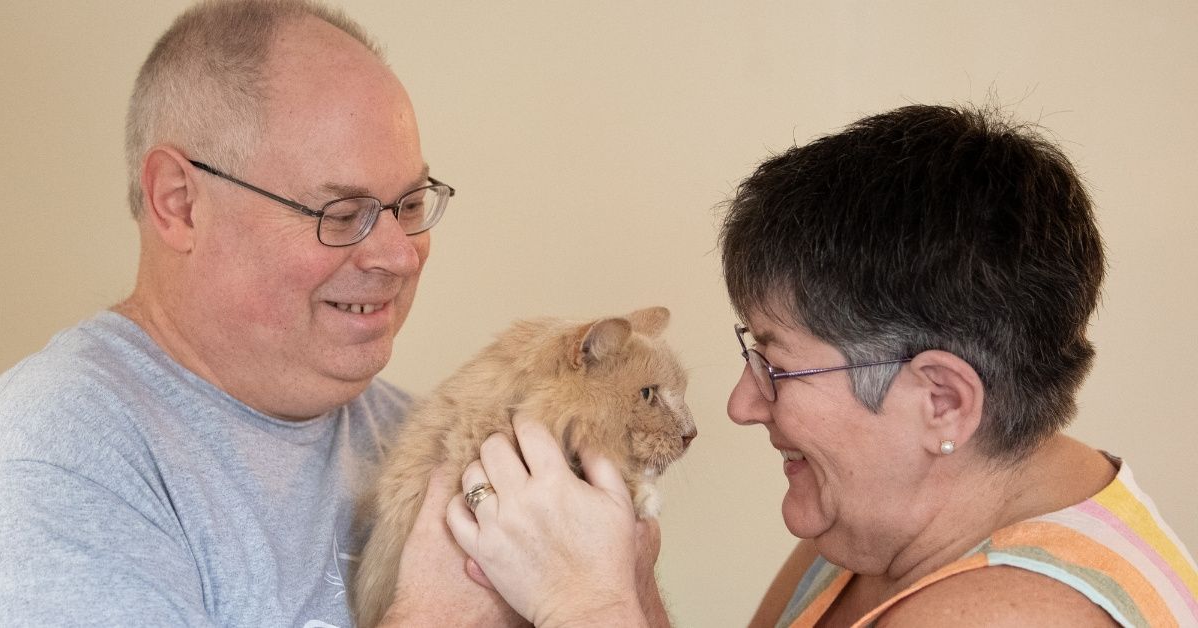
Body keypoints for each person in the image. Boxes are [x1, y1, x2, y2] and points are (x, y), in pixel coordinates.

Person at [446, 104, 1198, 627]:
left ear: (941, 401)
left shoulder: (1014, 616)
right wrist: (631, 580)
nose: (742, 404)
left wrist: (587, 606)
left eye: (776, 363)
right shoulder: (874, 523)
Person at [0, 1, 546, 625]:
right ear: (179, 203)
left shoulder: (424, 440)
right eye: (341, 213)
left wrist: (618, 585)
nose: (400, 255)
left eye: (411, 205)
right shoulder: (60, 453)